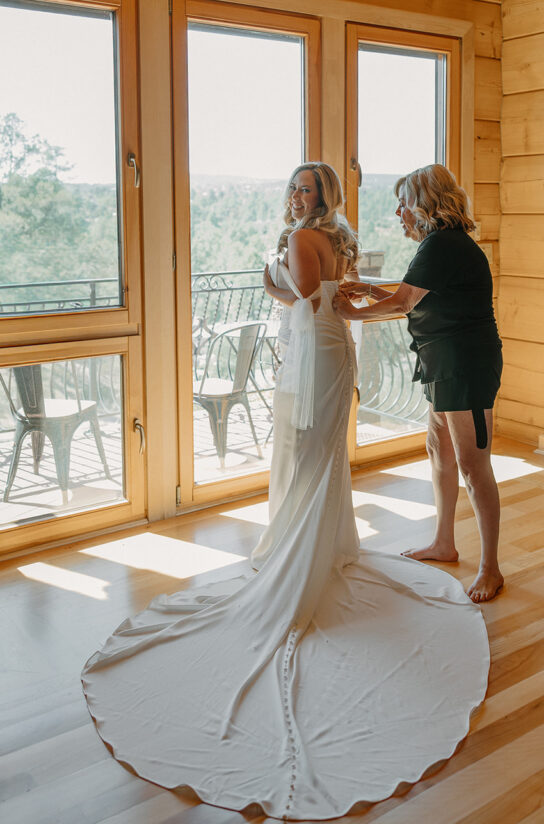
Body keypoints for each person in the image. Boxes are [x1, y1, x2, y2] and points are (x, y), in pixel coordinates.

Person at [81, 162, 489, 821]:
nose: (298, 197)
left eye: (308, 189)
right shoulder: (330, 238)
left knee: (306, 457)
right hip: (325, 347)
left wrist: (275, 270)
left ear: (322, 197)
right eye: (295, 188)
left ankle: (303, 562)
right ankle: (319, 546)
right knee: (314, 459)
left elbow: (302, 294)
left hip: (314, 351)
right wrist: (310, 282)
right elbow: (327, 295)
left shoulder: (305, 240)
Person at [333, 163, 504, 603]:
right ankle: (444, 542)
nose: (398, 213)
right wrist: (367, 288)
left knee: (472, 464)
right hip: (444, 362)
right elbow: (411, 291)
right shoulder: (440, 245)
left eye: (404, 203)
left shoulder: (442, 244)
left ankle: (491, 568)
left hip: (465, 366)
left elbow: (404, 301)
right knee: (439, 452)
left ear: (426, 204)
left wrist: (351, 312)